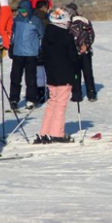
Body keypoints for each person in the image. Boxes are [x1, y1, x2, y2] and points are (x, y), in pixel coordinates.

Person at [35, 7, 78, 144]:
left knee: (52, 103)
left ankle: (45, 131)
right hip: (64, 74)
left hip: (51, 75)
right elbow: (73, 57)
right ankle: (56, 133)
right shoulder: (66, 36)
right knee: (60, 104)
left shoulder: (47, 35)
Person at [9, 0, 44, 111]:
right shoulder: (17, 20)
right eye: (20, 10)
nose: (21, 13)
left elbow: (42, 34)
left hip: (31, 53)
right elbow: (14, 34)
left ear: (28, 10)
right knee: (15, 77)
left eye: (24, 10)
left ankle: (31, 99)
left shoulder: (35, 20)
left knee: (30, 78)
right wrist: (12, 46)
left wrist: (41, 49)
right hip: (18, 53)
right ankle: (14, 99)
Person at [67, 3, 98, 102]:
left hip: (85, 52)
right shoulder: (66, 22)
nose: (69, 12)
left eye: (70, 10)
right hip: (73, 53)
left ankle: (91, 93)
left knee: (88, 73)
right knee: (75, 74)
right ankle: (76, 94)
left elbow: (91, 34)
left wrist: (87, 45)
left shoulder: (84, 21)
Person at [33, 0, 50, 103]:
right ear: (44, 8)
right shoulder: (43, 18)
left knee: (38, 72)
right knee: (45, 71)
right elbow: (43, 33)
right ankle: (44, 93)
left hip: (33, 49)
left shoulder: (32, 17)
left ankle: (39, 92)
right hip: (43, 47)